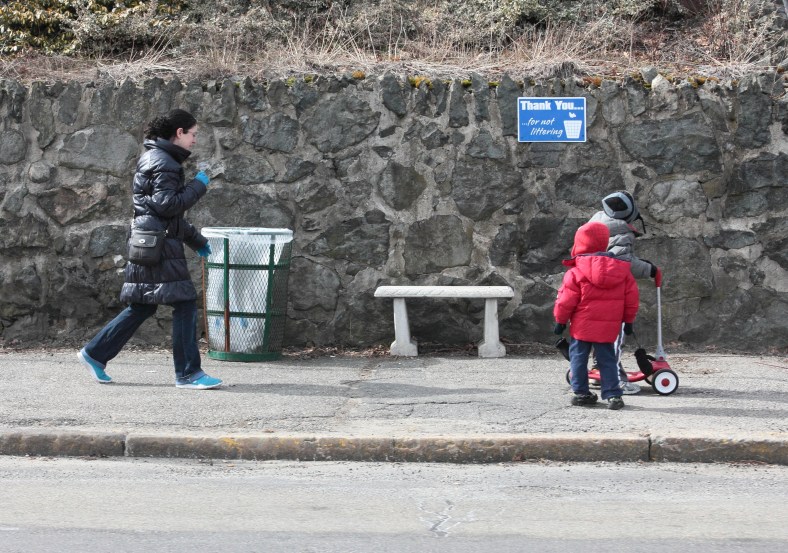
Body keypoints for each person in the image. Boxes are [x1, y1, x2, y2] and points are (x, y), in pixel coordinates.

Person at [78, 109, 221, 389]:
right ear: (179, 132)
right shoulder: (165, 162)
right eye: (193, 134)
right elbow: (167, 205)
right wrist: (198, 186)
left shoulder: (156, 157)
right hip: (158, 245)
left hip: (150, 241)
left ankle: (95, 353)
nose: (194, 141)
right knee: (184, 303)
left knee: (142, 306)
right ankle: (189, 373)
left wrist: (196, 241)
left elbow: (162, 214)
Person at [553, 221, 639, 410]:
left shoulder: (575, 272)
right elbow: (631, 299)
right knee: (607, 360)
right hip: (608, 328)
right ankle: (613, 395)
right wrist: (628, 320)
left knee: (578, 358)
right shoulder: (621, 270)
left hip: (582, 326)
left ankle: (581, 393)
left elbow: (565, 301)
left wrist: (560, 321)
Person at [588, 190, 661, 395]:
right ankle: (617, 380)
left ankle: (599, 370)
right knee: (614, 337)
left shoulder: (595, 223)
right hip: (611, 294)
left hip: (591, 291)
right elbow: (623, 263)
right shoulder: (620, 231)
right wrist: (649, 269)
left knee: (598, 335)